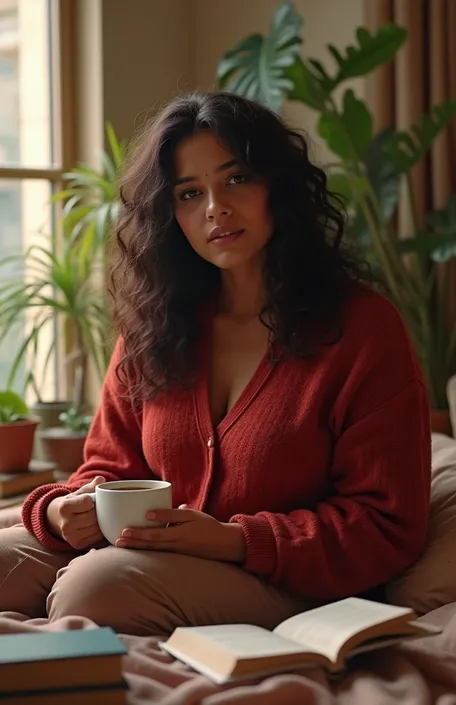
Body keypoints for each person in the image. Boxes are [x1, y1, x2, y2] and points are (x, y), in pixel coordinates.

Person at [0, 92, 431, 636]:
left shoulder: (363, 329)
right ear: (169, 214)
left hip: (294, 582)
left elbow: (386, 524)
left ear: (280, 186)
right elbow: (108, 471)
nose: (214, 208)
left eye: (237, 179)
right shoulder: (154, 325)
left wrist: (235, 539)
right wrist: (62, 510)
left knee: (97, 588)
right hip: (150, 556)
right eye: (189, 192)